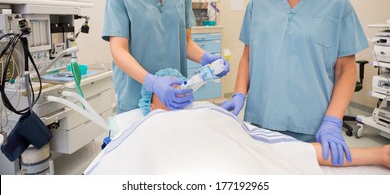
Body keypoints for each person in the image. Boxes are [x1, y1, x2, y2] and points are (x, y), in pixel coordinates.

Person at [220, 0, 369, 166]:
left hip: (312, 123)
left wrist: (333, 120)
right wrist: (239, 94)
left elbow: (346, 70)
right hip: (261, 119)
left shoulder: (337, 4)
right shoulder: (258, 4)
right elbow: (248, 56)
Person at [85, 68, 390, 175]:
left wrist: (378, 154)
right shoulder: (145, 123)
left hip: (235, 168)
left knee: (277, 153)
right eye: (167, 87)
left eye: (181, 85)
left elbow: (272, 148)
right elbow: (120, 157)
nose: (177, 89)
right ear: (151, 99)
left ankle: (379, 153)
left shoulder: (206, 113)